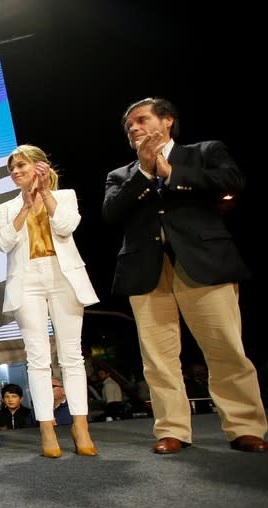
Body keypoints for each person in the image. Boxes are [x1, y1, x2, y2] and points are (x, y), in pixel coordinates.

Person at [103, 97, 268, 454]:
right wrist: (146, 173)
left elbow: (232, 180)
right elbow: (111, 213)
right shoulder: (121, 175)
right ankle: (172, 429)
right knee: (158, 358)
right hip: (147, 271)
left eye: (141, 120)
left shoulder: (203, 152)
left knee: (225, 348)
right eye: (129, 125)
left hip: (203, 262)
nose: (133, 128)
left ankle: (244, 426)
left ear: (167, 122)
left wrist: (169, 173)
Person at [0, 145, 98, 458]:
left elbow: (66, 226)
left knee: (72, 356)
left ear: (39, 166)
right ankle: (47, 428)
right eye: (12, 169)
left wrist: (46, 195)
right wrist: (24, 208)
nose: (15, 172)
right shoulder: (6, 208)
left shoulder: (64, 196)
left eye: (21, 166)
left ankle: (80, 425)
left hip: (63, 276)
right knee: (37, 358)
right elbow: (3, 243)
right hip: (27, 281)